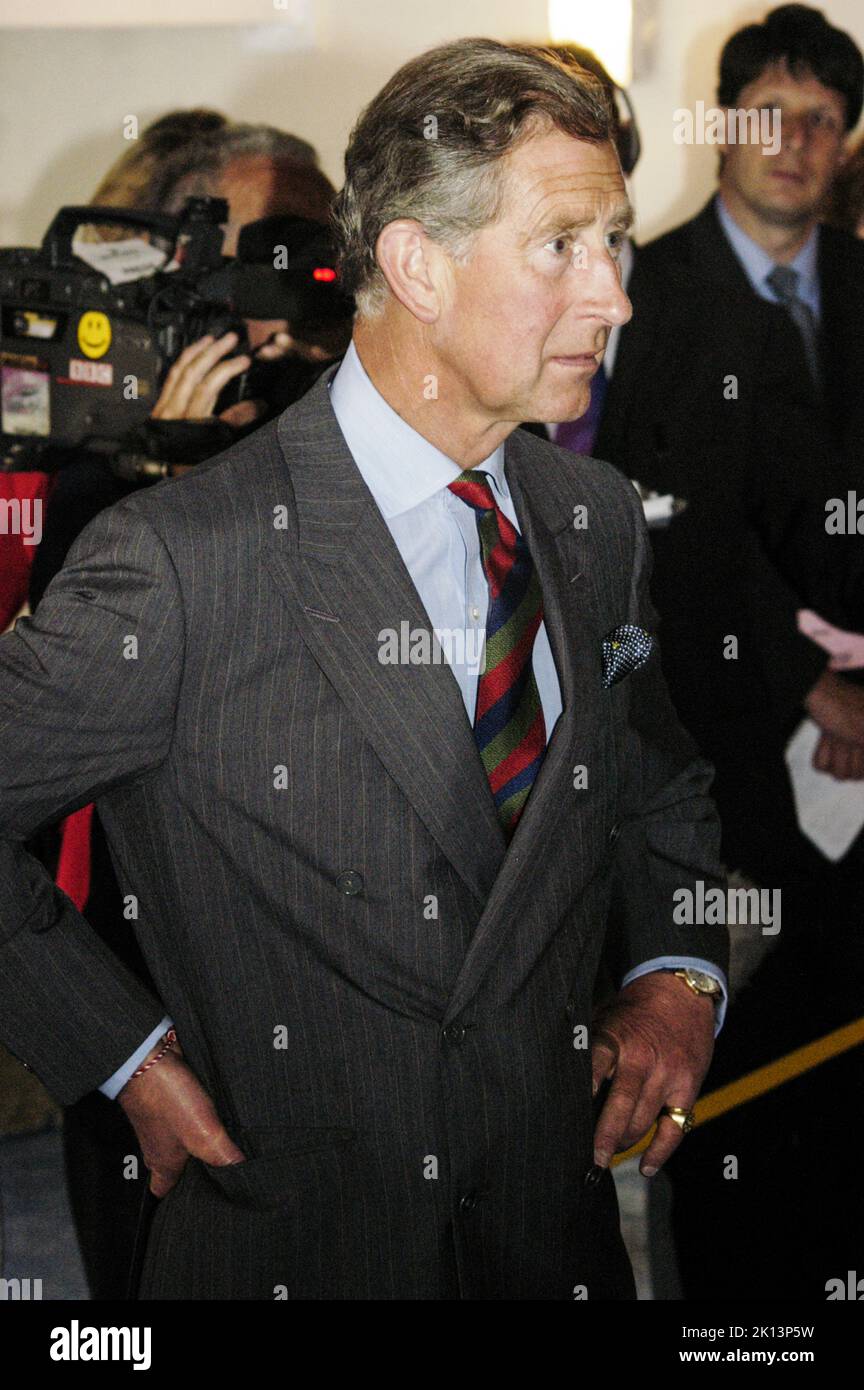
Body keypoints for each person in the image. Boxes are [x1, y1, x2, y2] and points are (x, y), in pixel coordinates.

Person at [0, 38, 729, 1301]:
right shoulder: (180, 562)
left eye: (613, 241)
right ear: (414, 266)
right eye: (563, 244)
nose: (615, 297)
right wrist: (116, 1050)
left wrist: (677, 973)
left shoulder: (596, 518)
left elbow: (656, 780)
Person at [20, 115, 349, 1301]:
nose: (306, 281)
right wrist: (158, 470)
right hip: (144, 986)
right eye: (274, 247)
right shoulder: (78, 470)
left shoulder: (343, 417)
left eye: (323, 244)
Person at [590, 4, 864, 1298]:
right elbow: (670, 537)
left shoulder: (858, 285)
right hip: (724, 738)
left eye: (822, 118)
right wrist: (807, 676)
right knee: (721, 1068)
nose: (795, 141)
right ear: (726, 122)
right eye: (772, 111)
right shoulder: (636, 293)